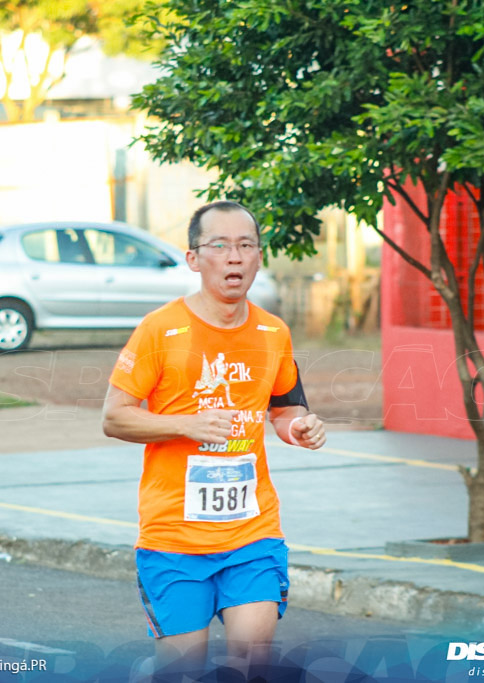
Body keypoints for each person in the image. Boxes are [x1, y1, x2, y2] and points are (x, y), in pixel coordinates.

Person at [103, 200, 326, 680]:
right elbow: (115, 418)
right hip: (173, 539)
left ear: (259, 257)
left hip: (252, 532)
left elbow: (285, 409)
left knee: (253, 663)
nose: (234, 258)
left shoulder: (272, 332)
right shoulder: (160, 330)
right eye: (220, 246)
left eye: (246, 246)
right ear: (193, 258)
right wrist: (186, 424)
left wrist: (300, 428)